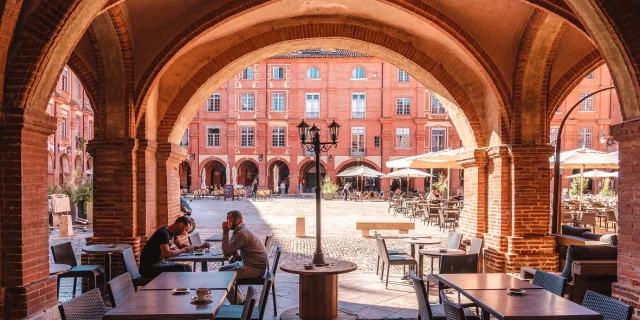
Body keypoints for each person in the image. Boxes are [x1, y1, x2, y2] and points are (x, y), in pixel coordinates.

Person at [219, 210, 268, 304]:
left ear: (237, 220)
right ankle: (239, 299)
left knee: (224, 277)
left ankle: (240, 303)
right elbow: (231, 247)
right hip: (251, 264)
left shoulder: (242, 233)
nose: (226, 222)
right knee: (222, 270)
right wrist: (234, 250)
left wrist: (225, 232)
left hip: (255, 268)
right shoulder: (241, 229)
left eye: (229, 219)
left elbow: (226, 251)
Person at [139, 216, 210, 279]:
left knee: (187, 267)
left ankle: (182, 289)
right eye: (186, 229)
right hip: (149, 268)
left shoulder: (171, 233)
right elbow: (166, 254)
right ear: (180, 224)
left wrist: (199, 247)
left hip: (159, 263)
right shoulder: (164, 233)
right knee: (184, 268)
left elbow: (181, 245)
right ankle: (181, 290)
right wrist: (183, 250)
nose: (185, 233)